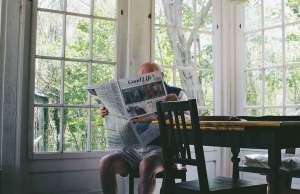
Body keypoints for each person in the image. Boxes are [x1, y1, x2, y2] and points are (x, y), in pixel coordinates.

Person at [99, 62, 188, 194]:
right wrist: (109, 112)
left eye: (151, 77)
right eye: (143, 79)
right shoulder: (132, 97)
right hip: (134, 150)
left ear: (161, 76)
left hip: (164, 150)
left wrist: (174, 107)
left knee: (146, 165)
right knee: (105, 163)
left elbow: (189, 120)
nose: (147, 84)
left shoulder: (177, 94)